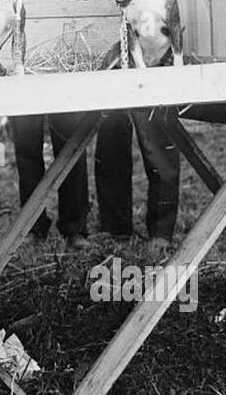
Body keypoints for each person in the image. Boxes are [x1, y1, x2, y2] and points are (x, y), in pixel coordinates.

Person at [11, 43, 181, 251]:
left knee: (72, 139)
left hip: (88, 65)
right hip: (24, 65)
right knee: (27, 142)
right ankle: (32, 227)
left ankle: (75, 227)